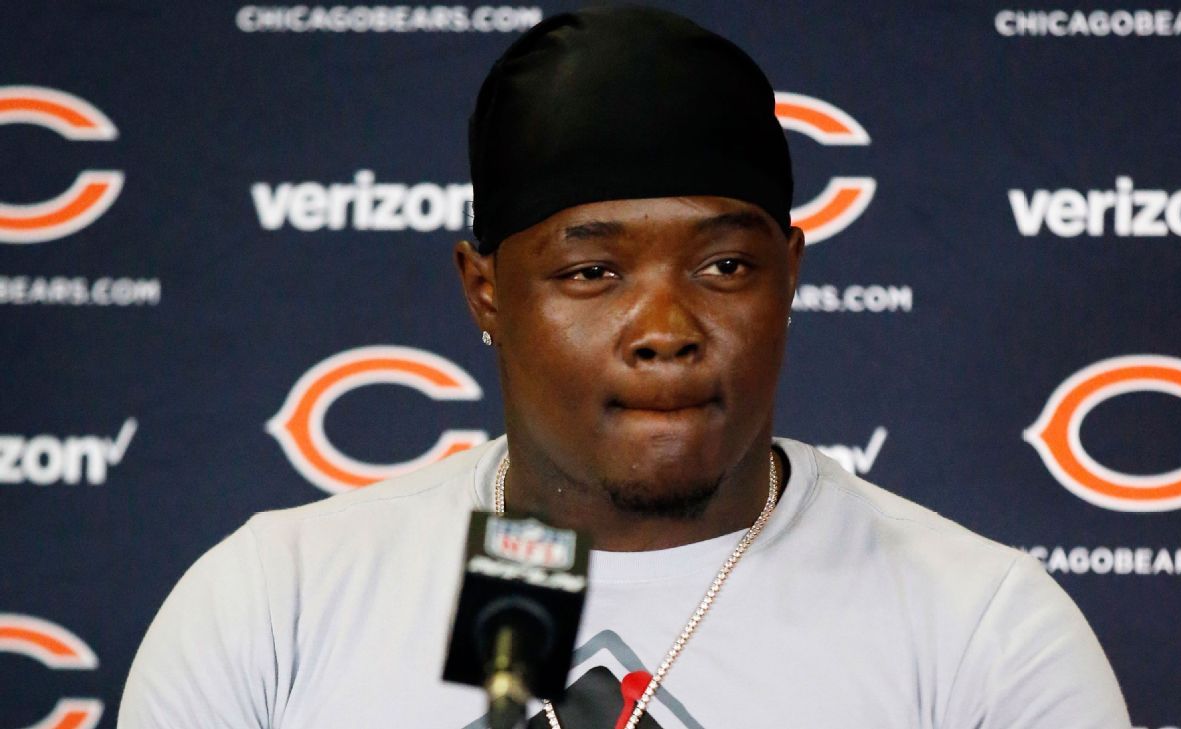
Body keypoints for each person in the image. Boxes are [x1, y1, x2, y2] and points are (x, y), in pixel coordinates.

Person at [120, 6, 1130, 728]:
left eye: (725, 266)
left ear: (789, 276)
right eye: (592, 272)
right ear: (486, 292)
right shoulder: (273, 607)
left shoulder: (987, 633)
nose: (666, 328)